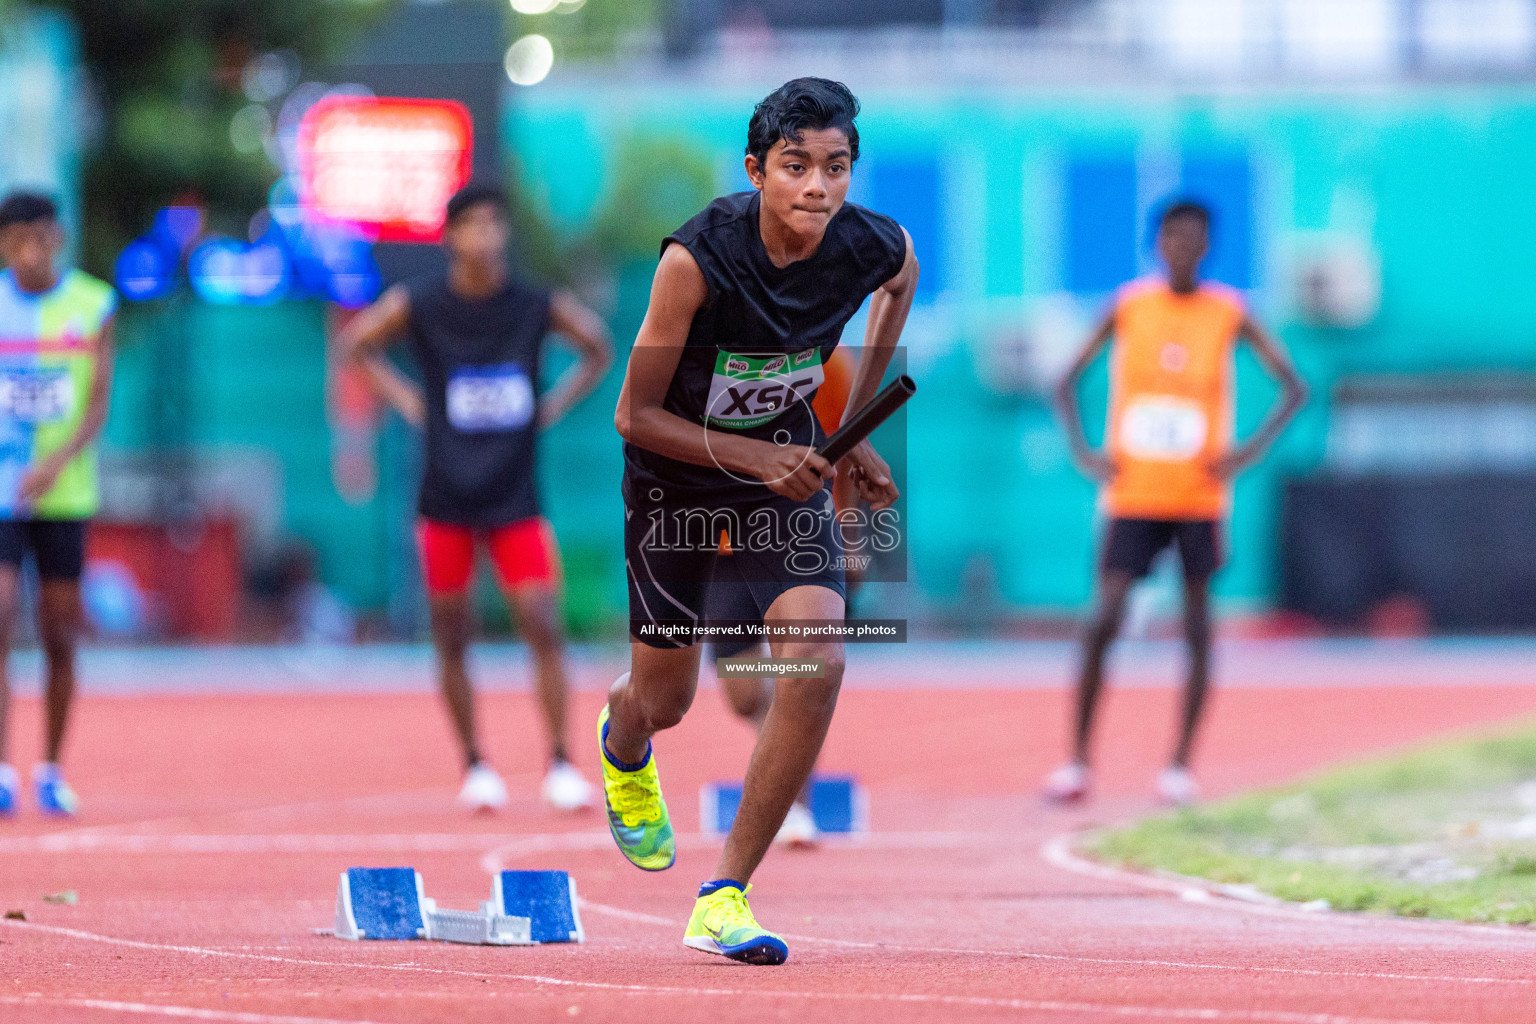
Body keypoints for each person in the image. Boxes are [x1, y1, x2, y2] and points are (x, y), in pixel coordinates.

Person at [602, 77, 918, 965]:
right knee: (666, 699)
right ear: (756, 170)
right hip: (677, 478)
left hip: (783, 472)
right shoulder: (695, 260)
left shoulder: (867, 243)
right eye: (795, 168)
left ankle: (725, 894)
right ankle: (623, 743)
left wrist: (849, 432)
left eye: (835, 167)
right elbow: (634, 415)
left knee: (817, 655)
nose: (817, 188)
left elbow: (902, 281)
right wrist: (755, 456)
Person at [340, 183, 613, 813]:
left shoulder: (535, 304)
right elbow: (358, 344)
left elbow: (597, 347)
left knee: (542, 624)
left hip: (516, 493)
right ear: (450, 237)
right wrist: (410, 403)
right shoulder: (423, 304)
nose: (486, 236)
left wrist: (551, 406)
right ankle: (474, 764)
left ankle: (560, 761)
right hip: (446, 495)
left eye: (496, 224)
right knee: (451, 633)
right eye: (473, 225)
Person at [1047, 200, 1307, 806]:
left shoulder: (1229, 312)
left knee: (1196, 628)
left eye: (1195, 237)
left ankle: (1180, 765)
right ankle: (1078, 761)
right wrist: (1086, 452)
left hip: (1198, 497)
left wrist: (1246, 454)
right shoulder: (1129, 305)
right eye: (1173, 236)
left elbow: (1292, 386)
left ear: (1209, 245)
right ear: (1157, 242)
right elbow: (1066, 380)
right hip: (1133, 492)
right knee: (1103, 619)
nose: (1183, 247)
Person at [705, 346, 859, 849]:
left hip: (800, 536)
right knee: (744, 689)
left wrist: (852, 532)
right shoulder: (706, 353)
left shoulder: (829, 361)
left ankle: (797, 801)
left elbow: (850, 441)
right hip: (725, 545)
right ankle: (786, 746)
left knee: (806, 671)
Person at [0, 192, 118, 817]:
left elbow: (97, 403)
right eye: (17, 239)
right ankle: (0, 771)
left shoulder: (94, 304)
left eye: (41, 238)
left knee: (59, 629)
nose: (30, 251)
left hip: (64, 492)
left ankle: (50, 767)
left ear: (60, 239)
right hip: (1, 493)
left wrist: (52, 464)